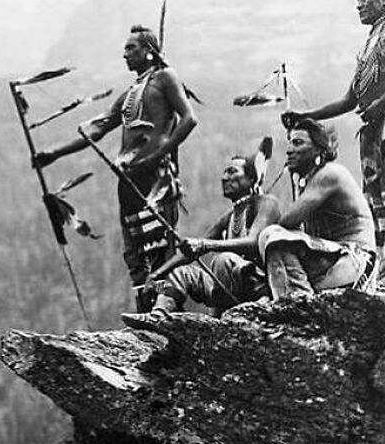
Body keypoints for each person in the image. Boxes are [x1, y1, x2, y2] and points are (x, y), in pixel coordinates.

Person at [34, 25, 198, 311]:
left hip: (156, 181)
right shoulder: (129, 95)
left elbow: (189, 119)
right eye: (124, 49)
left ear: (149, 51)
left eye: (131, 48)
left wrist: (158, 155)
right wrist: (53, 154)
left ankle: (167, 319)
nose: (125, 54)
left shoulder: (165, 78)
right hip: (129, 181)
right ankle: (144, 319)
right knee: (135, 254)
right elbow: (96, 131)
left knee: (161, 250)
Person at [281, 0, 385, 288]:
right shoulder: (368, 47)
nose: (359, 4)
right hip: (372, 129)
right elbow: (349, 100)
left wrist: (382, 102)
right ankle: (382, 269)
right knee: (375, 200)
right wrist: (305, 115)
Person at [121, 151, 280, 328]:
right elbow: (191, 251)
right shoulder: (229, 216)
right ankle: (158, 316)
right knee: (182, 273)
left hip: (254, 287)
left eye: (232, 171)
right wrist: (158, 273)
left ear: (251, 178)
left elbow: (252, 242)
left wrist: (205, 245)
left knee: (223, 259)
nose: (224, 178)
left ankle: (223, 318)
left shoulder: (266, 203)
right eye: (224, 173)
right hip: (227, 283)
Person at [257, 120, 375, 300]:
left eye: (298, 143)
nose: (289, 150)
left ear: (319, 151)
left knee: (273, 236)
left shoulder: (329, 174)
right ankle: (298, 302)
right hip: (334, 257)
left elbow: (287, 222)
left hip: (354, 260)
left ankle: (298, 308)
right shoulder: (311, 180)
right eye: (289, 142)